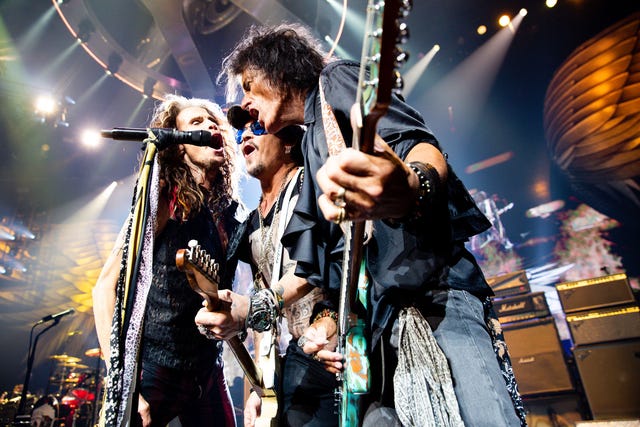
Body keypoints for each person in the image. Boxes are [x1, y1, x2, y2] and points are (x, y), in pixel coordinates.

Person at [212, 23, 527, 427]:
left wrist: (413, 185)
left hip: (433, 299)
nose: (245, 103)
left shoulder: (334, 81)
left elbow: (419, 144)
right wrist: (317, 323)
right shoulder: (311, 143)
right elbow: (326, 268)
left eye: (249, 86)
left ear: (280, 71)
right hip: (376, 329)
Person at [92, 94, 242, 427]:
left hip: (207, 369)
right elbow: (104, 288)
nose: (210, 126)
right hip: (158, 367)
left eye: (214, 121)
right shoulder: (165, 196)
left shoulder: (230, 213)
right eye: (196, 123)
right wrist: (122, 381)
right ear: (179, 146)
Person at [198, 105, 339, 426]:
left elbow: (328, 264)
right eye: (241, 133)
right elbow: (261, 316)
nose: (246, 135)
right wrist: (260, 387)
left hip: (334, 350)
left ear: (288, 142)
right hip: (292, 364)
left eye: (258, 128)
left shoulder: (311, 186)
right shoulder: (251, 222)